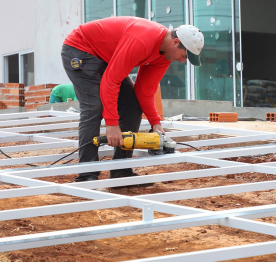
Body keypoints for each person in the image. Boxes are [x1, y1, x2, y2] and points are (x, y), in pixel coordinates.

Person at [62, 16, 203, 182]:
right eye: (184, 56)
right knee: (94, 107)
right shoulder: (143, 39)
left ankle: (121, 170)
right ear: (175, 42)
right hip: (81, 49)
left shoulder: (165, 56)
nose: (182, 61)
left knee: (132, 107)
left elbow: (144, 91)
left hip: (107, 57)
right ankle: (87, 174)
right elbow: (111, 81)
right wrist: (112, 124)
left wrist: (155, 122)